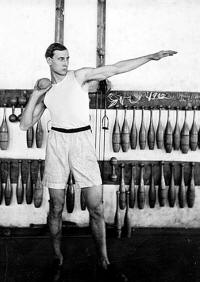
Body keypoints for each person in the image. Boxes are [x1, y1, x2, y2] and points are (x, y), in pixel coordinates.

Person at [20, 43, 177, 282]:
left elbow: (114, 69)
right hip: (57, 143)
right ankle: (57, 259)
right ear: (49, 61)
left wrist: (151, 57)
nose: (66, 62)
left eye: (67, 58)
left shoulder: (80, 76)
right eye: (60, 59)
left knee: (96, 207)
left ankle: (104, 262)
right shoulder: (48, 90)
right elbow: (24, 124)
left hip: (82, 141)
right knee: (56, 207)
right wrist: (35, 93)